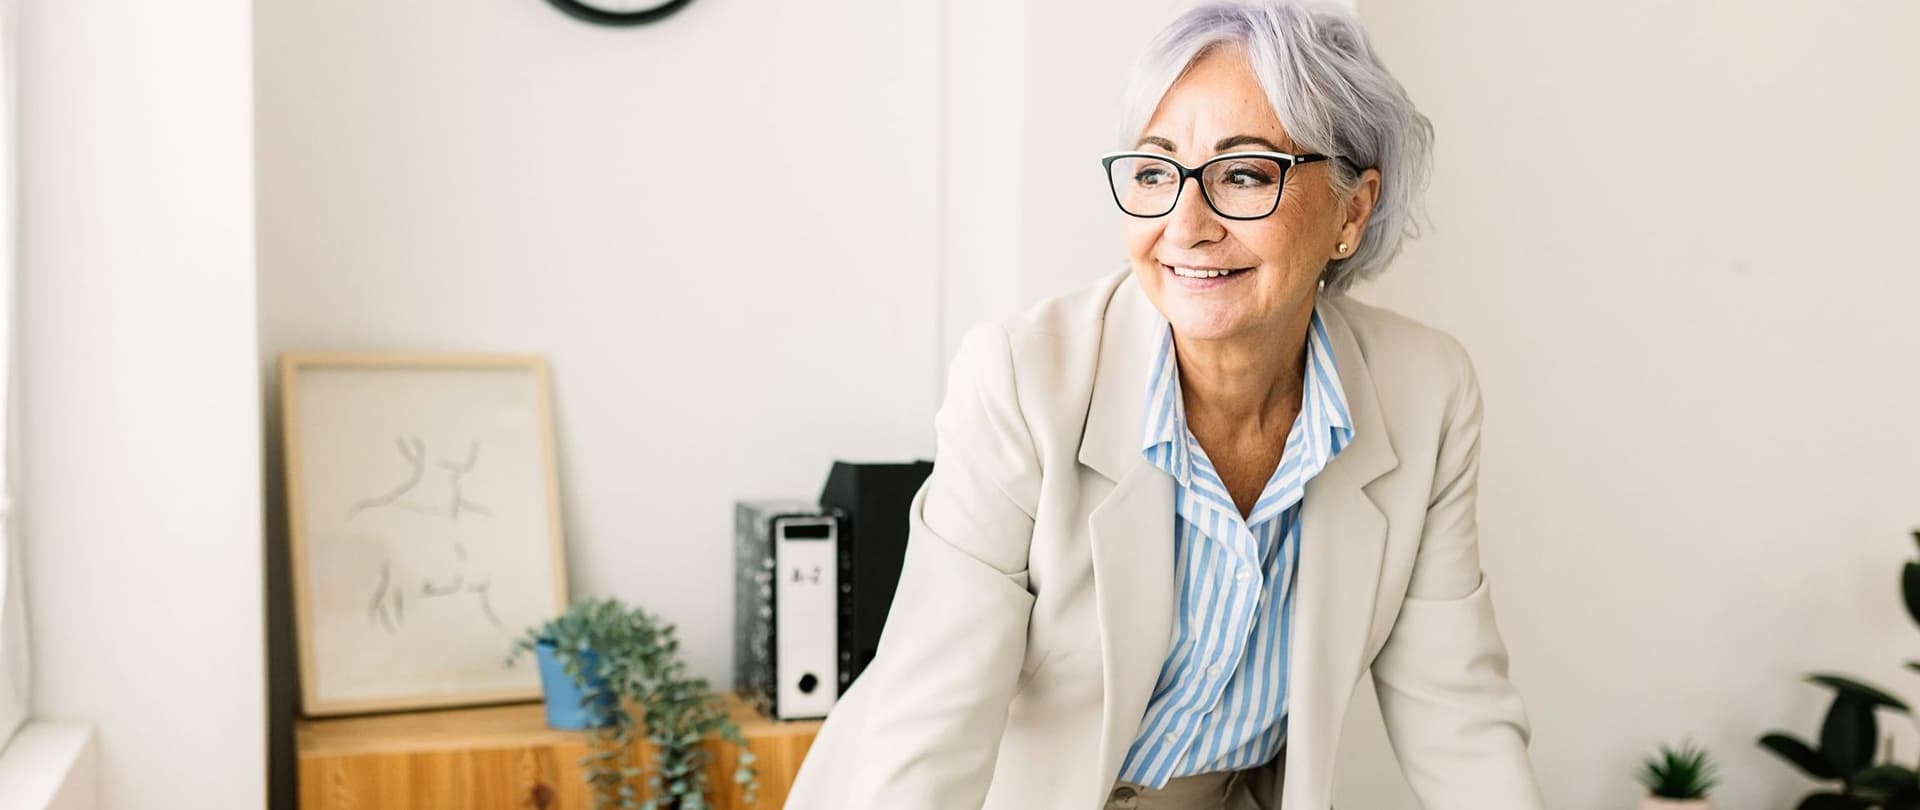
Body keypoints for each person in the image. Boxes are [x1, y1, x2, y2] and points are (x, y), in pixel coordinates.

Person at [785, 2, 1545, 808]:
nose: (1185, 225)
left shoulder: (1426, 394)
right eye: (1154, 172)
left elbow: (1457, 718)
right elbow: (930, 731)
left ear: (1351, 213)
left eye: (1244, 174)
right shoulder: (1021, 381)